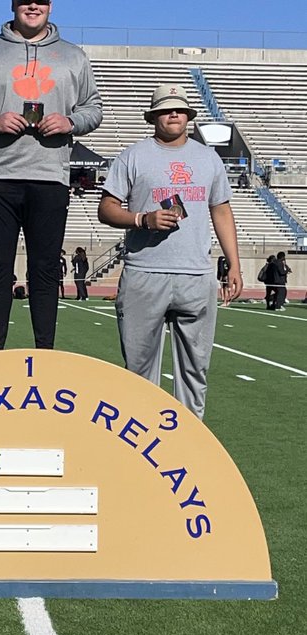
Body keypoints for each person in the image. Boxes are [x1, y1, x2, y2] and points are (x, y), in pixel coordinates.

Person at [0, 0, 102, 350]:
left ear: (50, 5)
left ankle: (44, 349)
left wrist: (69, 121)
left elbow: (94, 109)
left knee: (45, 269)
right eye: (26, 0)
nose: (33, 6)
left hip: (50, 176)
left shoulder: (73, 56)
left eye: (41, 0)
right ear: (14, 3)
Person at [97, 83, 242, 421]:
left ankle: (189, 444)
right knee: (139, 370)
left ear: (189, 116)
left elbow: (221, 210)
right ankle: (141, 444)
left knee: (196, 371)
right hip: (145, 272)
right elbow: (106, 208)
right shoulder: (132, 156)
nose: (173, 114)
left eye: (179, 109)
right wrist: (142, 218)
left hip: (197, 275)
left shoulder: (208, 158)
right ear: (154, 117)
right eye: (165, 109)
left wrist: (233, 264)